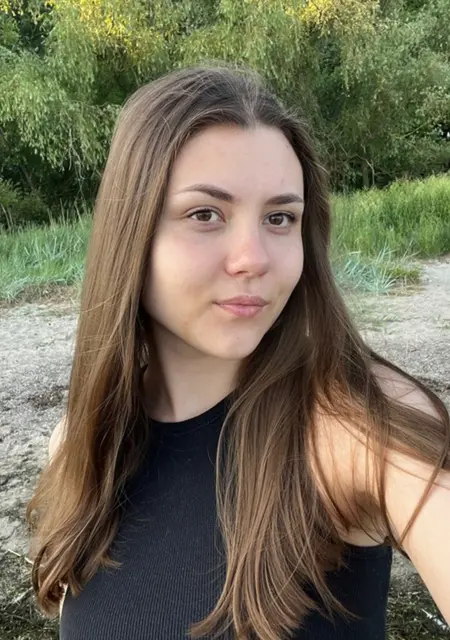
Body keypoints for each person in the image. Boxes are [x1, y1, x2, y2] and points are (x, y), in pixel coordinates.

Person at [27, 64, 450, 639]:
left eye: (280, 218)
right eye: (205, 214)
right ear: (131, 234)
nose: (253, 257)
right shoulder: (82, 443)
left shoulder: (353, 426)